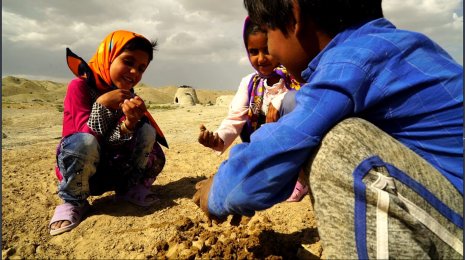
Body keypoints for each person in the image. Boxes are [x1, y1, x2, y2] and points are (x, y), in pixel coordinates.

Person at [193, 0, 463, 258]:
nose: (270, 51)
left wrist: (216, 191)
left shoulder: (351, 61)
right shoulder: (392, 46)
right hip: (447, 203)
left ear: (294, 17)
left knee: (337, 144)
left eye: (269, 32)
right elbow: (296, 110)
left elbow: (278, 148)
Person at [49, 30, 168, 236]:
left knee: (147, 131)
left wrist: (130, 122)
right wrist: (101, 104)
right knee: (83, 143)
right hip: (82, 172)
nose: (134, 72)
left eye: (141, 68)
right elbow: (83, 139)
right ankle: (74, 201)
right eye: (128, 62)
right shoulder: (80, 87)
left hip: (112, 169)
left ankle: (129, 189)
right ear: (109, 57)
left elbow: (113, 140)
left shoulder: (126, 96)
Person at [198, 17, 307, 202]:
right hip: (267, 148)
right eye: (254, 52)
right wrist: (217, 139)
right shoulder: (249, 83)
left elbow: (308, 100)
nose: (261, 58)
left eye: (267, 50)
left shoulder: (296, 75)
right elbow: (235, 119)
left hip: (294, 148)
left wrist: (281, 100)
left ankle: (301, 179)